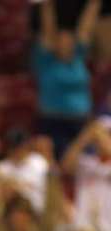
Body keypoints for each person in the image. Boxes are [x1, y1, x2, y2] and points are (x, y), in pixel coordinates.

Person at [33, 0, 102, 158]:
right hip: (53, 121)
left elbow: (86, 28)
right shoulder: (46, 60)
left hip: (80, 120)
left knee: (84, 161)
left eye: (69, 39)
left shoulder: (78, 58)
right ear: (55, 43)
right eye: (60, 39)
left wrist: (94, 3)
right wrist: (47, 5)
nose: (65, 43)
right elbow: (47, 29)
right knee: (55, 162)